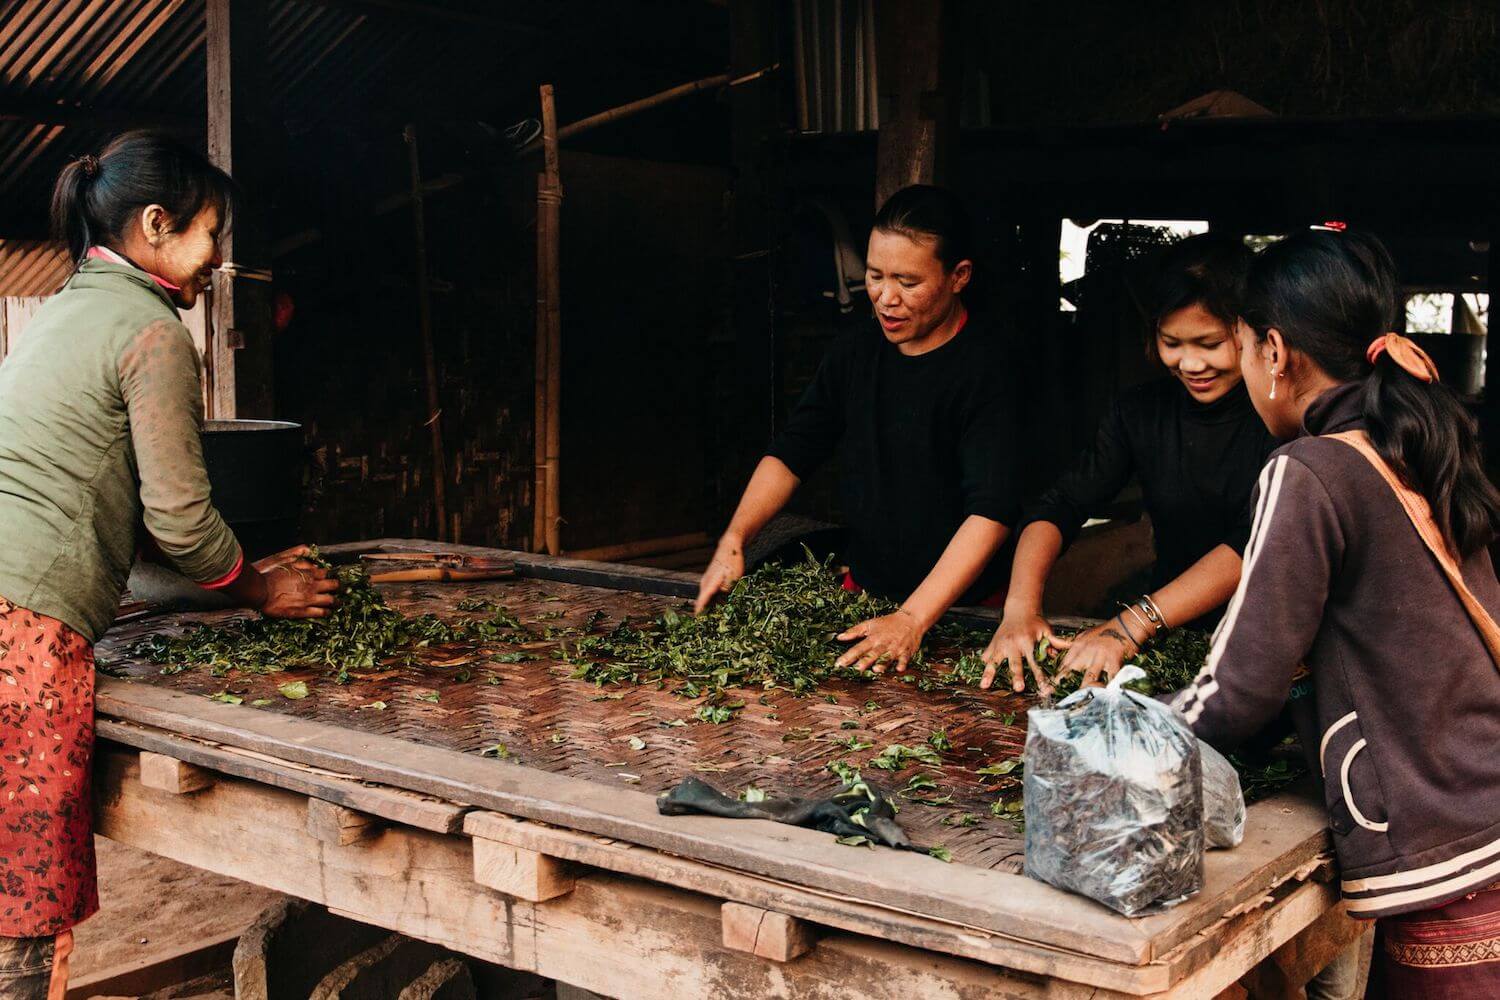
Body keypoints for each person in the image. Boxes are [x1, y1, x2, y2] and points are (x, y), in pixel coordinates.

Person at [0, 132, 337, 997]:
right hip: (23, 632)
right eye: (210, 234)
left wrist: (229, 579)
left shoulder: (67, 308)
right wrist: (258, 586)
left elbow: (117, 500)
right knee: (24, 900)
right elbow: (181, 518)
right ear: (157, 224)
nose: (218, 258)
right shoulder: (151, 332)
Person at [1172, 229, 1500, 995]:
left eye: (1245, 346)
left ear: (1276, 354)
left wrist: (1123, 740)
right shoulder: (1415, 442)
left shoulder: (1309, 469)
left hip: (1444, 846)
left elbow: (1237, 687)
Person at [694, 185, 1020, 674]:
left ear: (959, 276)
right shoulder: (856, 352)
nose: (886, 298)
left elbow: (991, 511)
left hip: (966, 609)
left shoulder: (989, 370)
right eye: (874, 276)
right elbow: (794, 450)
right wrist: (736, 538)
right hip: (866, 596)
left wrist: (913, 616)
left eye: (908, 282)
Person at [979, 234, 1275, 694]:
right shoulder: (1140, 413)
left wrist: (1131, 624)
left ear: (1250, 331)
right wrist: (1019, 609)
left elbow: (1252, 542)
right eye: (1171, 342)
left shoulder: (1277, 417)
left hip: (1264, 640)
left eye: (1210, 343)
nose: (1190, 363)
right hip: (1174, 635)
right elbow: (1061, 503)